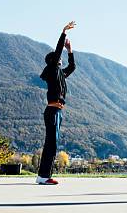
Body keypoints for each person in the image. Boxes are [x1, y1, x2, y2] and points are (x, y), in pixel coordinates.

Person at [36, 21, 77, 185]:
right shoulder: (52, 70)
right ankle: (44, 176)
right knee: (51, 144)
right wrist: (63, 33)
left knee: (53, 144)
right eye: (58, 56)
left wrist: (70, 51)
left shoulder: (59, 73)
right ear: (53, 61)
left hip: (58, 112)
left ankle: (43, 176)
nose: (60, 57)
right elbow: (58, 50)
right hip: (52, 111)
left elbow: (72, 67)